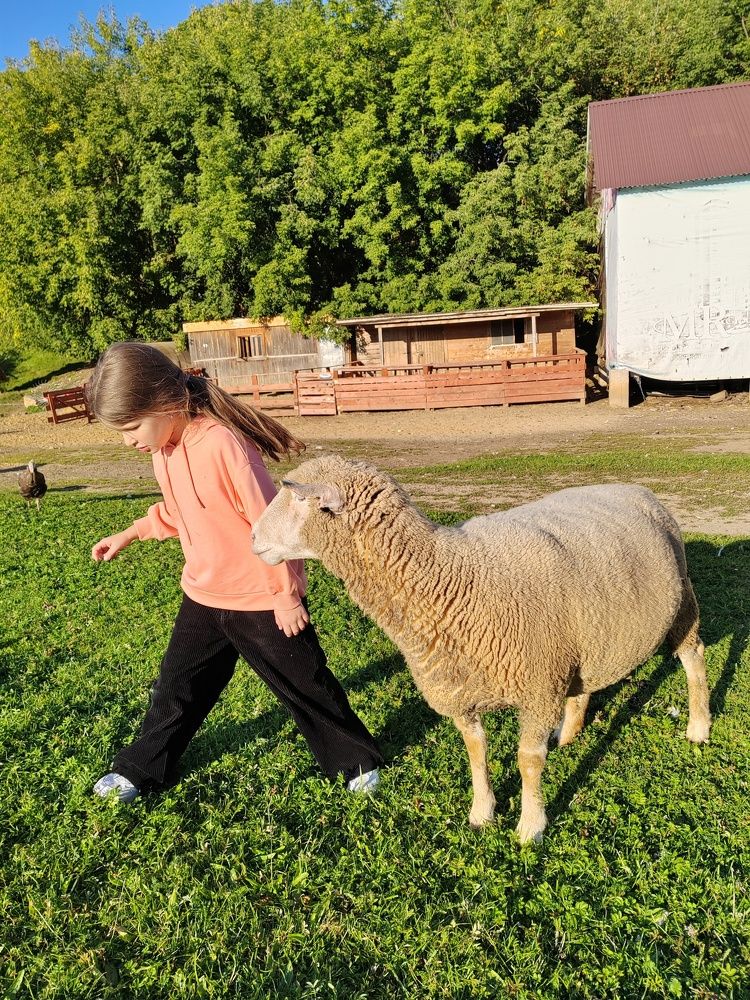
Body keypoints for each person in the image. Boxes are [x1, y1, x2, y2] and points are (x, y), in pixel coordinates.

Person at [86, 342, 382, 803]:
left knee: (305, 684)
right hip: (204, 595)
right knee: (176, 687)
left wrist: (286, 594)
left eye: (130, 427)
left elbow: (273, 521)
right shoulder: (163, 449)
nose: (128, 440)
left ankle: (355, 761)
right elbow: (182, 508)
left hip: (261, 598)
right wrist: (134, 531)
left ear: (167, 402)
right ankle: (141, 768)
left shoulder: (224, 445)